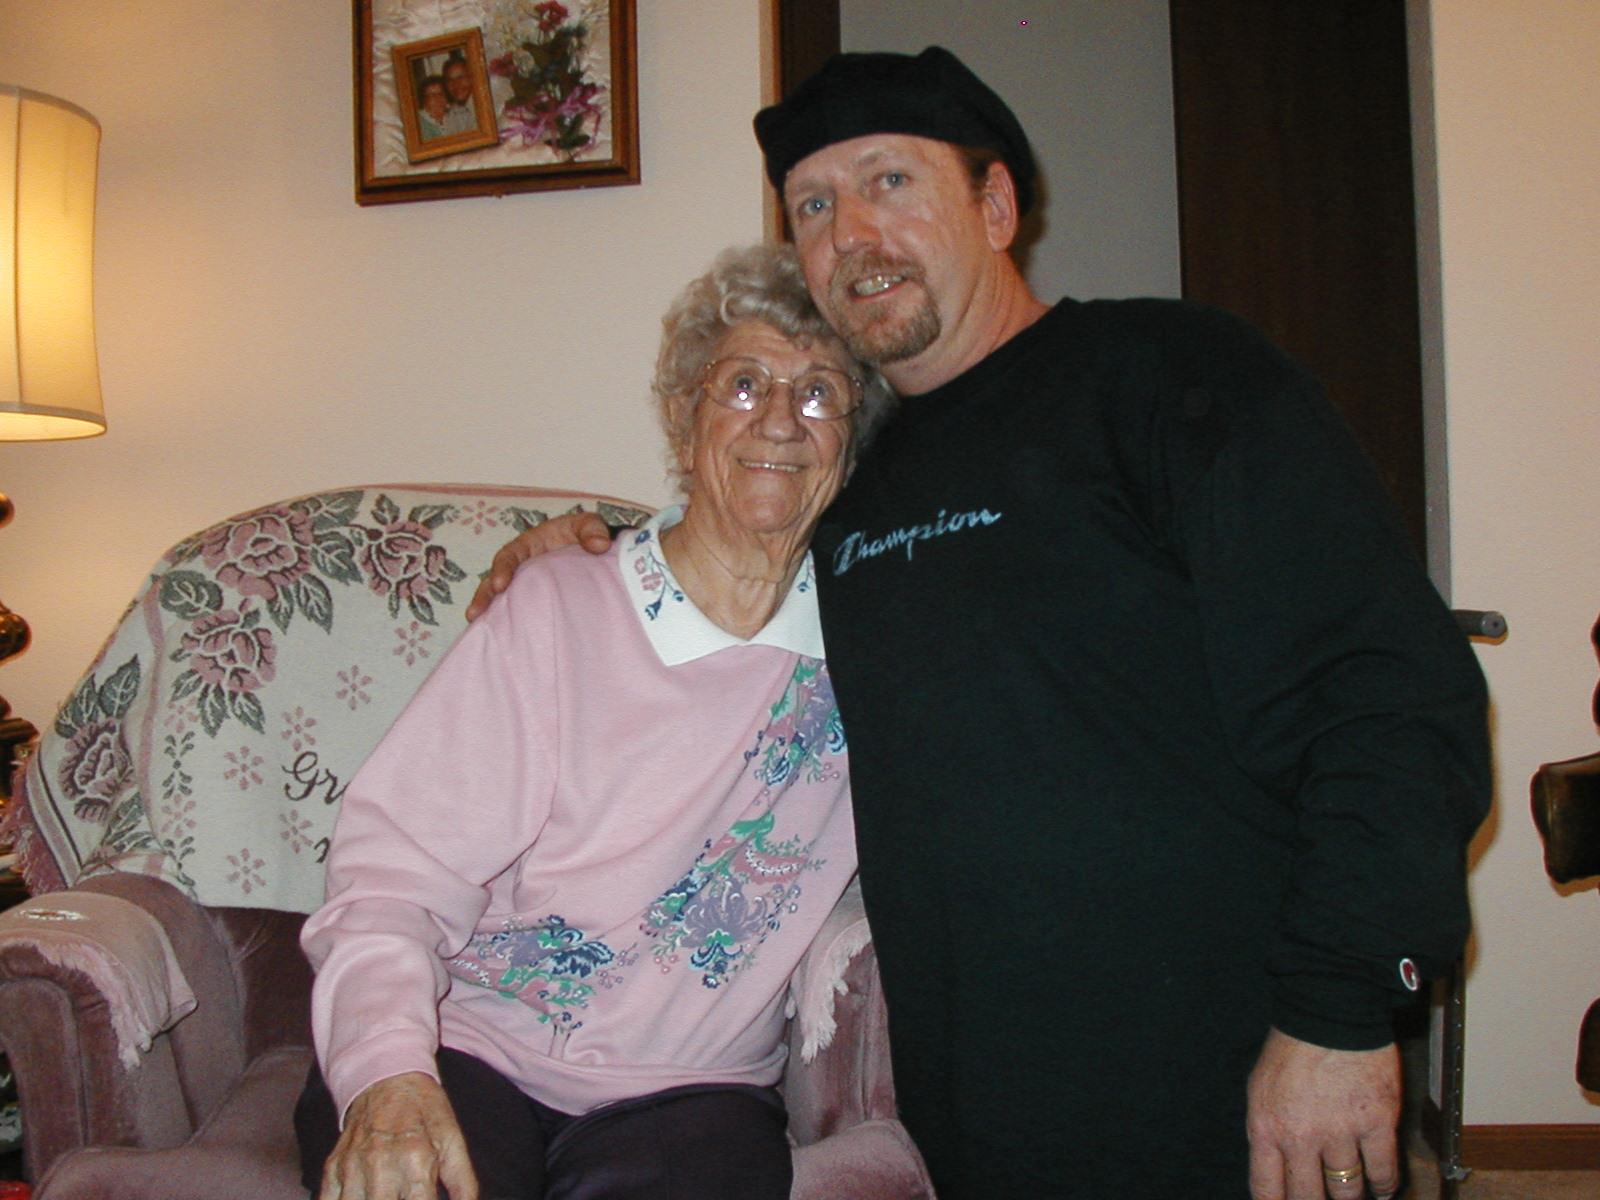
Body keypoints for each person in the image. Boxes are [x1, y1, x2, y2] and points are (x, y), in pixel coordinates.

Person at [471, 47, 1491, 1200]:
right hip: (979, 1112)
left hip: (1234, 1084)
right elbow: (718, 572)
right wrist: (586, 554)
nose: (851, 230)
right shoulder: (848, 488)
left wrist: (1340, 1012)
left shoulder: (1174, 378)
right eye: (815, 204)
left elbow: (1387, 697)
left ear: (995, 205)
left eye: (890, 181)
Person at [296, 242, 891, 1200]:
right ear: (682, 412)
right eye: (743, 384)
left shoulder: (883, 644)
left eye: (820, 393)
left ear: (852, 440)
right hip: (465, 1046)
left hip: (692, 1095)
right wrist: (388, 1072)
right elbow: (392, 873)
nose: (780, 419)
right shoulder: (556, 609)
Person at [441, 56, 478, 135]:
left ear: (471, 77)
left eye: (460, 77)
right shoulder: (450, 116)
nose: (456, 85)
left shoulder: (486, 107)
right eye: (450, 81)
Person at [417, 75, 450, 141]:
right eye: (432, 95)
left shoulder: (454, 116)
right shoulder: (418, 123)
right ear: (424, 100)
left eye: (440, 94)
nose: (438, 98)